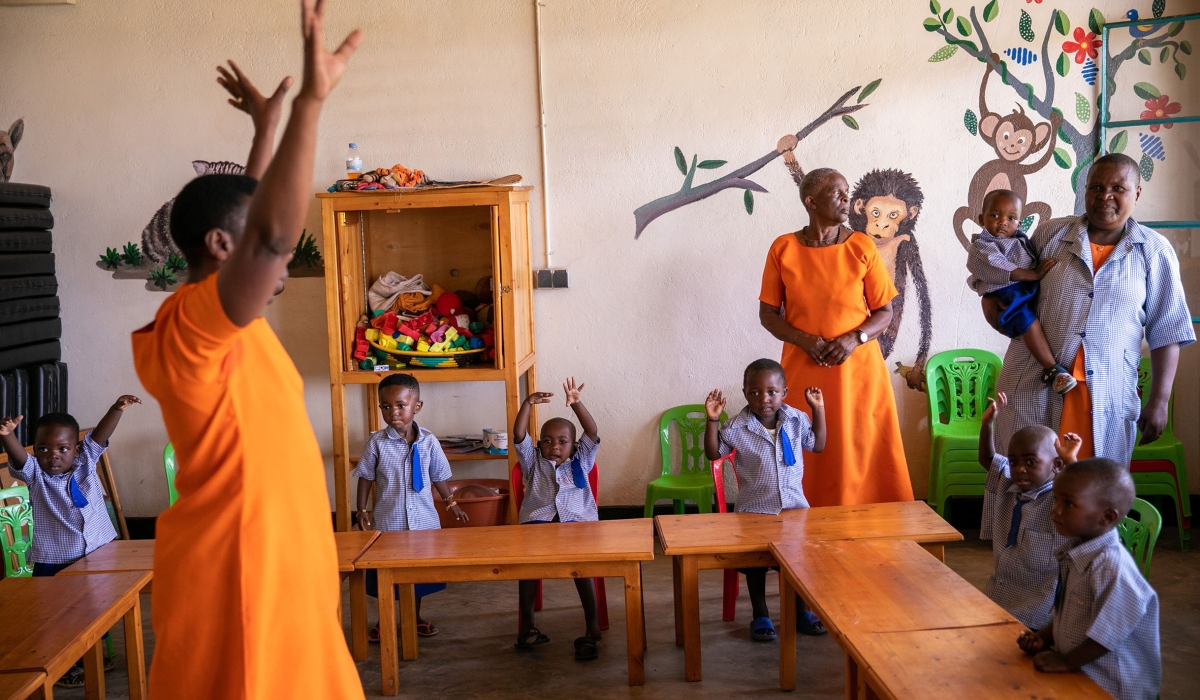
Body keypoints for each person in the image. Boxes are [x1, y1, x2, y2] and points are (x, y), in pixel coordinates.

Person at [130, 3, 364, 697]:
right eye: (262, 253)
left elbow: (248, 217)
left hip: (282, 561)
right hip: (235, 574)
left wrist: (264, 132)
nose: (279, 268)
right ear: (220, 250)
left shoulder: (226, 314)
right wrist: (310, 108)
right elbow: (265, 236)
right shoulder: (199, 327)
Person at [991, 154, 1195, 463]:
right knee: (1024, 486)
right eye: (1096, 187)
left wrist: (1159, 402)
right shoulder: (1050, 235)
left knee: (1091, 493)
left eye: (1118, 187)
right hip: (1034, 384)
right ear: (1085, 191)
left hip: (1106, 393)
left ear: (1136, 193)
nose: (1105, 197)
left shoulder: (1155, 252)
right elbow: (1004, 291)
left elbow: (1167, 332)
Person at [758, 167, 913, 506]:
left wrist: (852, 339)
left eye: (847, 192)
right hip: (803, 369)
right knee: (803, 443)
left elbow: (884, 312)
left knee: (858, 443)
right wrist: (806, 341)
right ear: (811, 202)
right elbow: (768, 314)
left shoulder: (861, 246)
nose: (847, 199)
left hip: (857, 370)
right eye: (838, 193)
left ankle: (870, 529)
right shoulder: (782, 248)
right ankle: (803, 529)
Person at [1, 395, 141, 687]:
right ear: (36, 452)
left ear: (75, 450)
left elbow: (100, 436)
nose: (53, 455)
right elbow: (17, 458)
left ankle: (85, 652)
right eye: (43, 449)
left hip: (96, 554)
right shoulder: (36, 474)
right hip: (56, 560)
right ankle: (65, 663)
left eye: (62, 449)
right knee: (57, 617)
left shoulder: (86, 462)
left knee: (98, 608)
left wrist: (116, 409)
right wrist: (8, 435)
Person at [703, 358, 827, 641]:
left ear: (784, 391)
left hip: (794, 510)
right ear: (746, 394)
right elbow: (713, 453)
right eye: (755, 393)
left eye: (771, 392)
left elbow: (817, 445)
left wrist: (817, 409)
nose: (764, 399)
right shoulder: (736, 427)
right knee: (754, 562)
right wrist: (712, 420)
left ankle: (800, 611)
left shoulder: (797, 420)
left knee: (798, 560)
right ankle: (760, 614)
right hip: (754, 513)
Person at [1018, 458, 1160, 700]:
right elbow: (1072, 613)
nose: (1055, 511)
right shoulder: (1078, 549)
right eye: (1056, 500)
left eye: (1069, 504)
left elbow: (1107, 636)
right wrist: (1043, 638)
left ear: (1106, 518)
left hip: (1112, 685)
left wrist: (1065, 661)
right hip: (1081, 670)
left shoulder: (1111, 567)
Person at [354, 373, 467, 640]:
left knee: (415, 576)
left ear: (417, 406)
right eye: (385, 406)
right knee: (387, 574)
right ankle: (385, 619)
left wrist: (451, 503)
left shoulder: (429, 442)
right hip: (389, 523)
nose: (393, 412)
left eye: (400, 405)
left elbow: (439, 475)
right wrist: (362, 511)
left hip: (423, 523)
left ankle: (413, 617)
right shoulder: (376, 444)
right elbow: (366, 477)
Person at [512, 377, 602, 661]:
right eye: (548, 441)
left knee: (581, 566)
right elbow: (518, 435)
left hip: (577, 526)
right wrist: (527, 404)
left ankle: (592, 625)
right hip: (538, 524)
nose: (554, 446)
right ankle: (527, 625)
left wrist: (576, 404)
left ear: (574, 446)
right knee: (527, 566)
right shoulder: (533, 462)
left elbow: (592, 430)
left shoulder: (582, 461)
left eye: (563, 442)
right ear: (539, 445)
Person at [977, 392, 1078, 629]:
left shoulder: (1060, 498)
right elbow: (988, 459)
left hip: (1040, 609)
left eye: (1031, 462)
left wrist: (1071, 461)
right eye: (1014, 462)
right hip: (1000, 594)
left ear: (1056, 465)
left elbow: (1084, 492)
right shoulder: (1007, 483)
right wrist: (986, 424)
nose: (1019, 469)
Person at [967, 190, 1073, 393]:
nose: (1003, 222)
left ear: (1019, 223)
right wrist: (1033, 274)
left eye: (1011, 218)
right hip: (1004, 291)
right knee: (1027, 321)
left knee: (1034, 319)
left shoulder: (1020, 238)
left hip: (1021, 289)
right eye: (995, 215)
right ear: (982, 219)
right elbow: (995, 266)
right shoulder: (983, 246)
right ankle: (1052, 369)